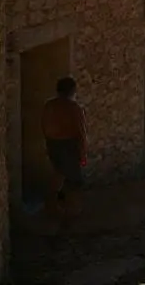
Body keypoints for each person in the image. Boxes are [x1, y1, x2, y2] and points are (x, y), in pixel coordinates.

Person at [42, 76, 87, 223]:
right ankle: (72, 211)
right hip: (69, 145)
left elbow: (44, 126)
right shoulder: (74, 108)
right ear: (72, 90)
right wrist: (83, 154)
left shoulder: (49, 106)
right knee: (73, 180)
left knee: (58, 174)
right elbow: (80, 133)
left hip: (53, 144)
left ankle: (52, 207)